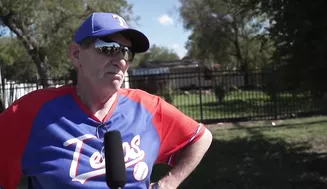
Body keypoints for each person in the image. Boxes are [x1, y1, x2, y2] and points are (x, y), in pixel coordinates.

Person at [0, 12, 212, 189]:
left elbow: (201, 138)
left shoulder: (148, 108)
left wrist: (169, 183)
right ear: (76, 54)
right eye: (109, 48)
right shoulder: (33, 112)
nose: (120, 60)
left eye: (127, 52)